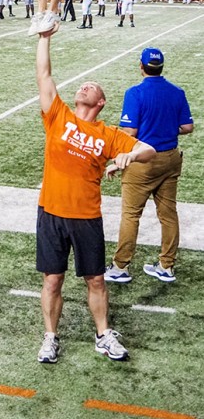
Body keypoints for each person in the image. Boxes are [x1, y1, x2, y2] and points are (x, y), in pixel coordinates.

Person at [35, 30, 155, 364]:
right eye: (83, 84)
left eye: (93, 86)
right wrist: (44, 38)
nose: (85, 85)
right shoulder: (58, 116)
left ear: (101, 102)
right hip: (52, 212)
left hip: (86, 215)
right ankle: (50, 337)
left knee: (96, 279)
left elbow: (149, 149)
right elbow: (44, 75)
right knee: (52, 279)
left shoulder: (108, 134)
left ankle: (103, 334)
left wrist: (129, 156)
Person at [105, 48, 194, 284]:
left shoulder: (135, 93)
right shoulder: (177, 92)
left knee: (131, 215)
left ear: (141, 66)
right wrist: (166, 130)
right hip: (171, 159)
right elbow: (187, 127)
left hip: (143, 163)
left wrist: (121, 159)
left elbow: (130, 132)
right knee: (168, 214)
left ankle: (120, 266)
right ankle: (166, 265)